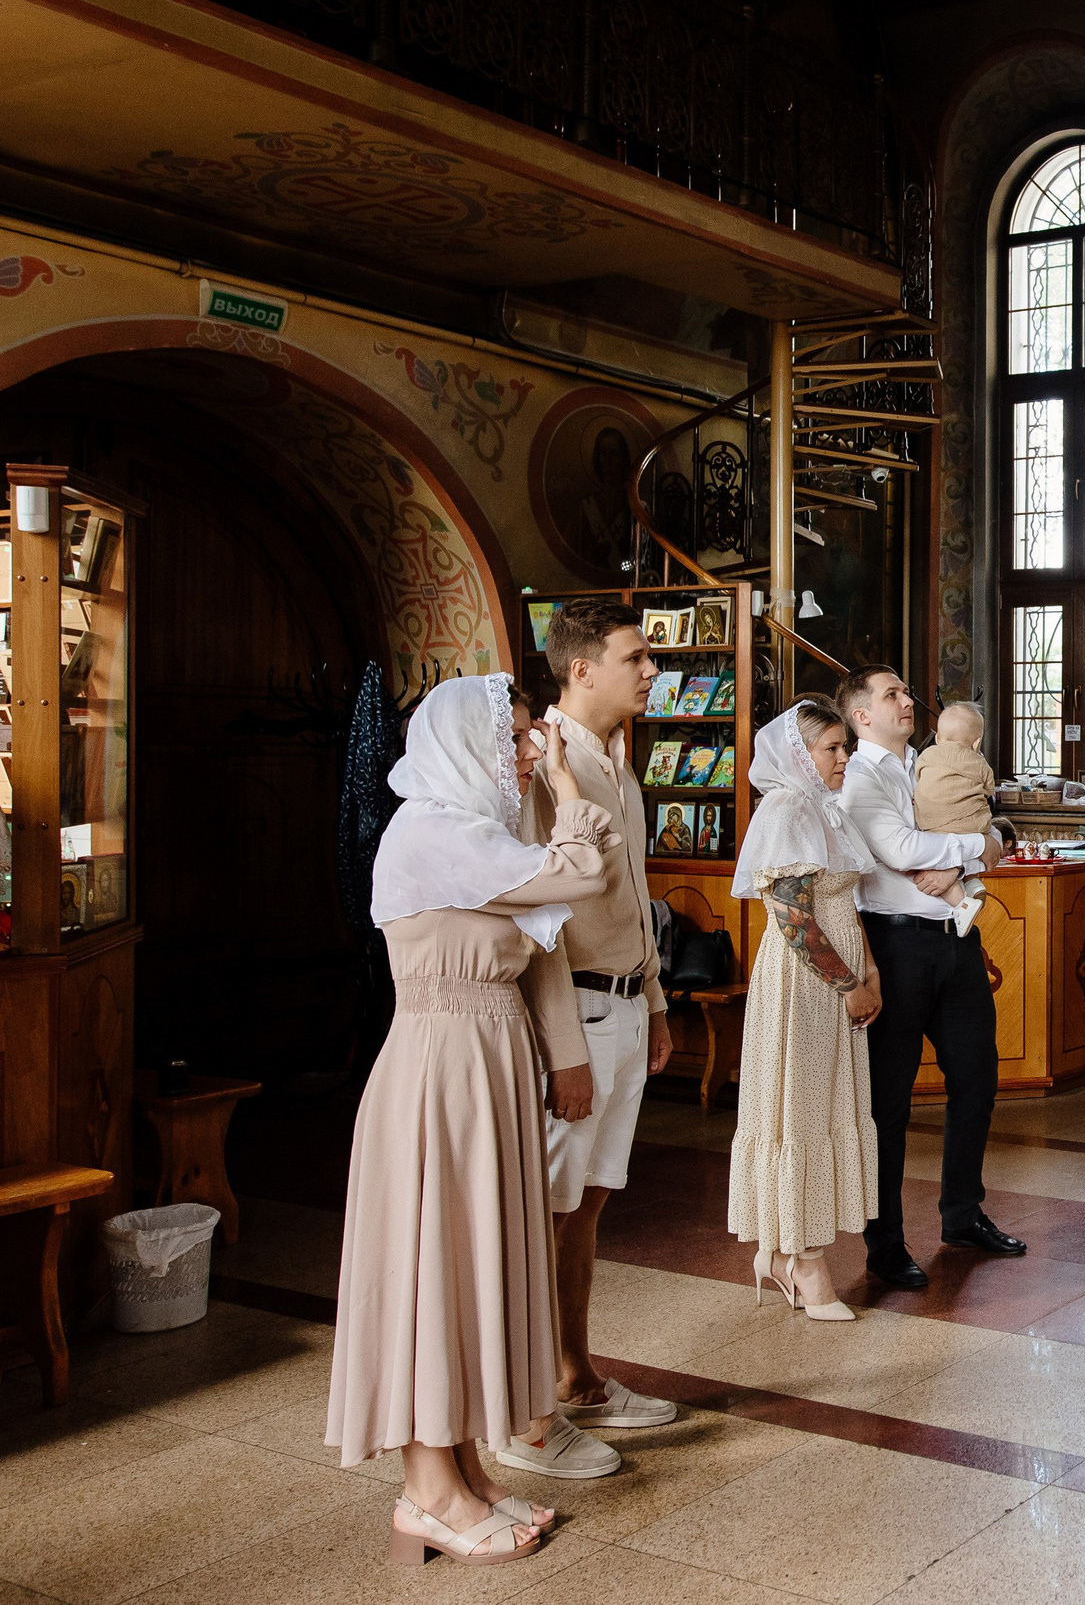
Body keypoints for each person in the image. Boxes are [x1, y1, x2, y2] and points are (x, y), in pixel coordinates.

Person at [328, 675, 603, 1565]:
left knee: (467, 1262)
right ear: (460, 744)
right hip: (441, 1070)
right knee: (430, 1269)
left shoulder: (478, 835)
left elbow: (544, 939)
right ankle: (424, 1490)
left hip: (485, 1063)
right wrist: (566, 790)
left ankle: (463, 1469)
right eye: (516, 737)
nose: (528, 751)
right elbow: (582, 871)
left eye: (529, 737)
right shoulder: (433, 832)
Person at [499, 597, 680, 1483]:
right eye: (635, 656)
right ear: (581, 669)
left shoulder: (616, 759)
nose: (651, 669)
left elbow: (629, 893)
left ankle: (575, 1376)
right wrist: (565, 1045)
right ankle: (523, 1408)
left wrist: (654, 995)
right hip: (575, 1010)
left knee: (591, 1202)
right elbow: (542, 918)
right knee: (549, 1207)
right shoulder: (542, 765)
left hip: (625, 1003)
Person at [831, 666, 1018, 1291]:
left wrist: (981, 845)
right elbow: (905, 851)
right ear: (861, 715)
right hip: (896, 946)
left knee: (978, 1078)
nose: (908, 701)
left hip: (957, 939)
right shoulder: (858, 780)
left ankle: (962, 1216)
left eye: (906, 692)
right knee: (890, 1101)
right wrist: (973, 850)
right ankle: (883, 1243)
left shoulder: (937, 761)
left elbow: (993, 826)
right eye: (892, 695)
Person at [727, 697, 883, 1322]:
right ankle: (800, 1258)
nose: (845, 757)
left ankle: (785, 1252)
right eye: (833, 749)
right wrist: (849, 985)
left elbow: (846, 901)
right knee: (800, 1109)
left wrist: (869, 968)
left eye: (847, 746)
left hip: (839, 971)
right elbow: (793, 918)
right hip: (805, 982)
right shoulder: (788, 807)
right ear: (800, 755)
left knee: (822, 1106)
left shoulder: (824, 808)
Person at [912, 700, 1000, 936]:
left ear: (938, 737)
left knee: (938, 865)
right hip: (973, 825)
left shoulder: (926, 755)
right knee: (964, 849)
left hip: (933, 824)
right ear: (977, 742)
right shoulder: (980, 762)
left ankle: (962, 900)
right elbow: (990, 789)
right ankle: (969, 889)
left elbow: (918, 776)